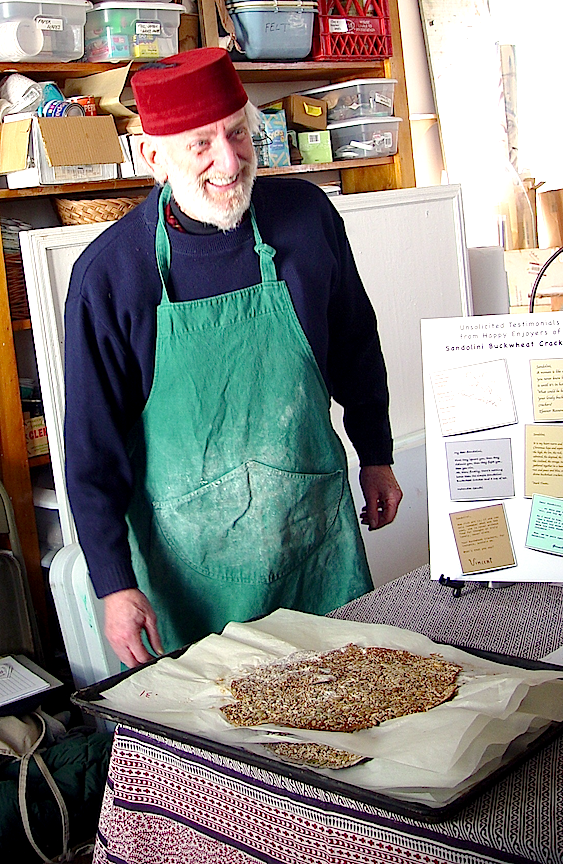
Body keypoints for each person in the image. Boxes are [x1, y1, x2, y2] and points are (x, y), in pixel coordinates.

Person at [64, 47, 403, 668]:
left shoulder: (306, 219)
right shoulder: (110, 275)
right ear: (153, 158)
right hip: (188, 570)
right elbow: (92, 448)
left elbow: (357, 342)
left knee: (349, 713)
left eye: (238, 133)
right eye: (201, 144)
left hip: (311, 541)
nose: (229, 160)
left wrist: (376, 454)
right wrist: (113, 581)